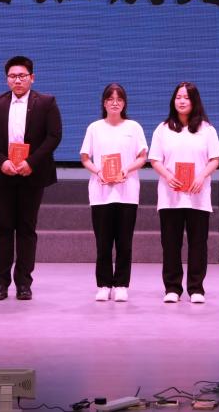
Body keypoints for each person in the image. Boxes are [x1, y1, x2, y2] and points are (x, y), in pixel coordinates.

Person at [0, 55, 62, 301]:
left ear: (32, 78)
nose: (17, 80)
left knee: (26, 229)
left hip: (31, 174)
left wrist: (31, 162)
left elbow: (54, 136)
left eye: (22, 76)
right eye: (13, 76)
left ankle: (24, 283)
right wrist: (1, 161)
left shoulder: (46, 102)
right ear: (7, 79)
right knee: (3, 228)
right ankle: (0, 283)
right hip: (2, 174)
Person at [149, 82, 219, 304]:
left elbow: (215, 159)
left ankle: (196, 288)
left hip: (198, 196)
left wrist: (201, 176)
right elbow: (155, 159)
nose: (182, 101)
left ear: (194, 101)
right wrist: (167, 175)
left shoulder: (207, 129)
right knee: (170, 243)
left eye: (186, 97)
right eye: (178, 97)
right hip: (170, 196)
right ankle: (172, 288)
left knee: (198, 244)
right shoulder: (163, 129)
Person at [79, 83, 148, 302]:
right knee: (103, 243)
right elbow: (85, 157)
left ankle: (121, 285)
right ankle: (103, 284)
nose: (115, 103)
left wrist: (127, 169)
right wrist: (98, 171)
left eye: (119, 99)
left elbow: (143, 156)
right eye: (110, 99)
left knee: (124, 242)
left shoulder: (133, 127)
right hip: (101, 193)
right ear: (104, 103)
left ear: (124, 103)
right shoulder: (95, 128)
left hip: (127, 192)